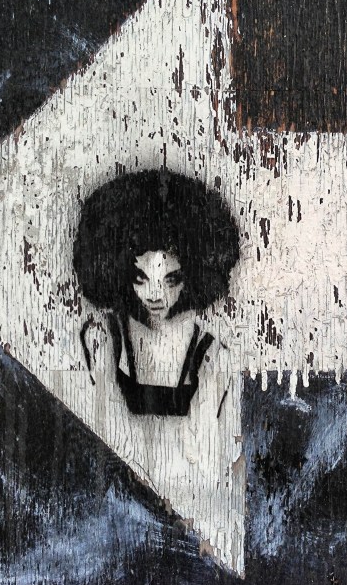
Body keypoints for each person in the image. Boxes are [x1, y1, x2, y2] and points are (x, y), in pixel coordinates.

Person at [73, 169, 240, 416]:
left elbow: (207, 431)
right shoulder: (101, 336)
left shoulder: (213, 354)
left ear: (192, 278)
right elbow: (99, 419)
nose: (155, 295)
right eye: (141, 278)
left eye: (171, 280)